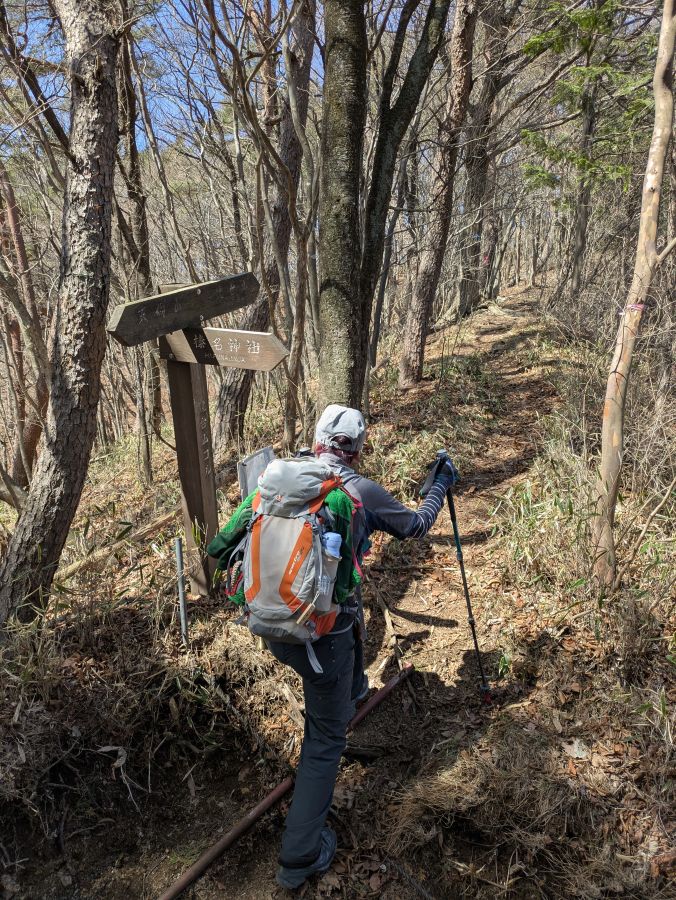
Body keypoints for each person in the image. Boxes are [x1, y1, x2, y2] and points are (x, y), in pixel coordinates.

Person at [266, 404, 459, 890]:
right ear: (358, 448)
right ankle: (299, 856)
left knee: (343, 656)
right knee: (325, 741)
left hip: (273, 623)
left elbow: (224, 547)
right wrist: (439, 485)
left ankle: (349, 695)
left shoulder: (282, 477)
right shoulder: (359, 490)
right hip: (321, 638)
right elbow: (416, 526)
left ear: (316, 439)